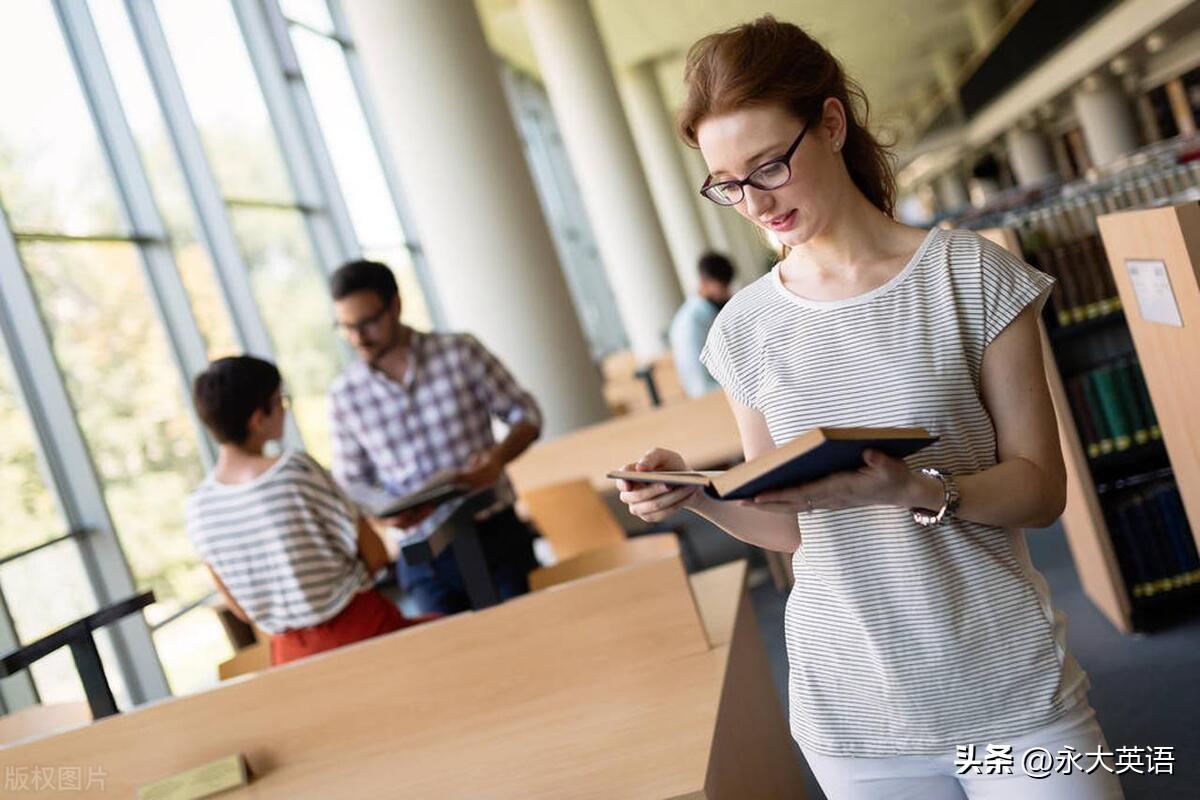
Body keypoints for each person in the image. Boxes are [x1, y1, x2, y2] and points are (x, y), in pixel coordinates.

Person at [616, 17, 1123, 800]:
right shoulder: (744, 328)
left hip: (1010, 690)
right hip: (852, 713)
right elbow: (789, 527)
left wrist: (916, 489)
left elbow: (1042, 490)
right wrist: (702, 496)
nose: (754, 202)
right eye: (728, 183)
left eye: (770, 166)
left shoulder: (970, 274)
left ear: (829, 123)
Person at [327, 259, 542, 615]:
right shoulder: (343, 395)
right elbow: (351, 481)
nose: (358, 338)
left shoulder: (460, 352)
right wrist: (382, 514)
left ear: (395, 305)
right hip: (422, 557)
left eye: (367, 323)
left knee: (533, 645)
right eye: (346, 327)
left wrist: (497, 459)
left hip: (494, 534)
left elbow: (527, 415)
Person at [186, 356, 426, 666]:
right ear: (258, 419)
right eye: (280, 401)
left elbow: (242, 610)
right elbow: (376, 555)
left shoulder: (197, 509)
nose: (285, 409)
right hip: (363, 631)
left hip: (292, 658)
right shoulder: (294, 470)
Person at [668, 251, 736, 397]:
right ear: (704, 283)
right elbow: (700, 387)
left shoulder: (710, 314)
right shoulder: (690, 323)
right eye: (722, 287)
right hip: (711, 400)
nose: (727, 293)